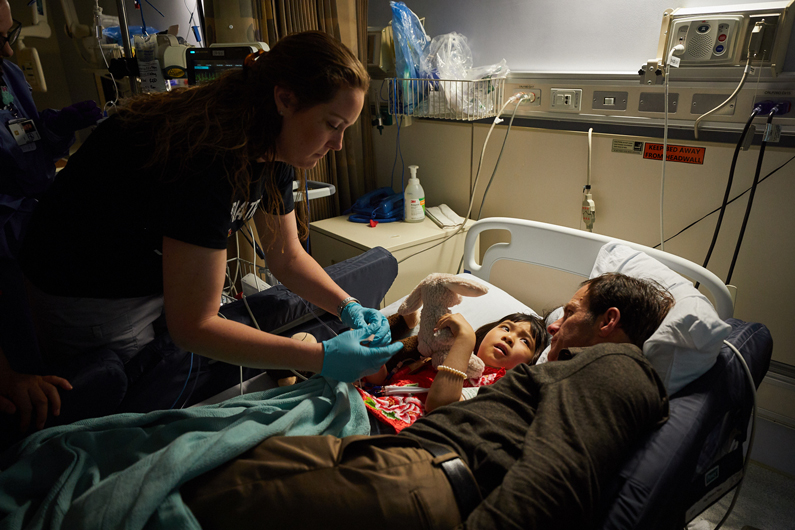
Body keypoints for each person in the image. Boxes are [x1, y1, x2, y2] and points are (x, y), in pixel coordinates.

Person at [13, 31, 401, 429]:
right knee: (139, 401)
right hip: (88, 290)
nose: (337, 145)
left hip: (148, 271)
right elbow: (194, 327)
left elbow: (286, 255)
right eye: (333, 125)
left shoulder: (278, 144)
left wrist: (346, 305)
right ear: (285, 99)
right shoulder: (206, 155)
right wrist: (320, 358)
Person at [180, 272, 675, 529]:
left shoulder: (619, 369)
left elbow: (556, 480)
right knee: (197, 469)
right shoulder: (568, 372)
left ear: (607, 322)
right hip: (397, 456)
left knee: (209, 499)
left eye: (569, 312)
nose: (555, 325)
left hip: (426, 475)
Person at [0, 0, 101, 434]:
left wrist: (54, 129)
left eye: (7, 34)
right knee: (22, 375)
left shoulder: (8, 73)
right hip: (3, 237)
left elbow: (26, 139)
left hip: (28, 225)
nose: (5, 46)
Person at [361, 312, 548, 432]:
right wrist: (373, 359)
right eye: (506, 328)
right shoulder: (442, 354)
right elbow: (383, 386)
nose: (509, 337)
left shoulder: (500, 386)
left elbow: (441, 406)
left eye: (525, 341)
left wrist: (466, 339)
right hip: (368, 402)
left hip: (395, 429)